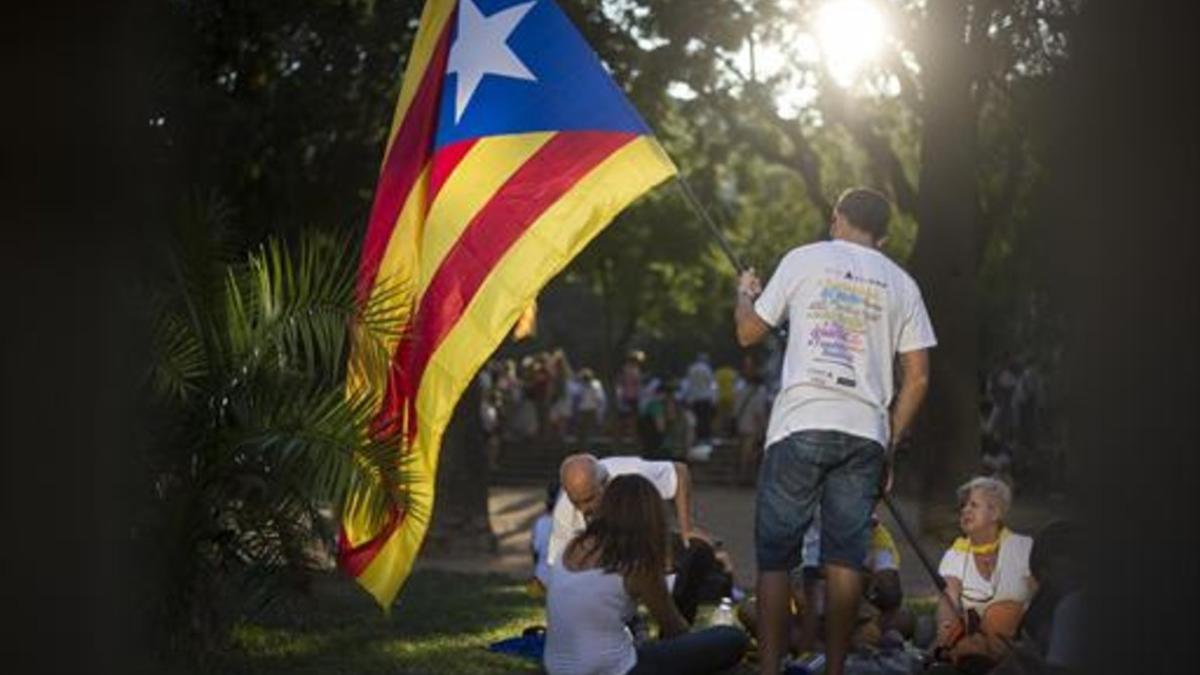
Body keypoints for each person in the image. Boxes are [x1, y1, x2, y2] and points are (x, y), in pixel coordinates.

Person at [734, 187, 937, 675]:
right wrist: (889, 439)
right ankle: (836, 668)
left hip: (801, 421)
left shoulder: (803, 259)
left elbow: (747, 333)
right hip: (865, 430)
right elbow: (919, 377)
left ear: (836, 218)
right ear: (884, 237)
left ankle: (771, 669)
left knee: (777, 557)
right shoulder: (903, 285)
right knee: (846, 558)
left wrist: (745, 293)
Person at [543, 474, 748, 675]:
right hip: (616, 670)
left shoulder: (571, 547)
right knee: (731, 638)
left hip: (556, 668)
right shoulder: (634, 563)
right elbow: (674, 628)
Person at [933, 477, 1034, 673]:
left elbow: (1041, 599)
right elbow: (948, 600)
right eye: (963, 506)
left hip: (1018, 644)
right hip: (974, 646)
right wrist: (944, 636)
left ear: (995, 512)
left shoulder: (1023, 548)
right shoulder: (955, 554)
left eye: (973, 505)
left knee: (1002, 614)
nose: (965, 510)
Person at [548, 453, 694, 568]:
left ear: (605, 484)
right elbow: (558, 563)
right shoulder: (564, 509)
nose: (583, 509)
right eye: (576, 503)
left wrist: (686, 533)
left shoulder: (631, 474)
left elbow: (680, 473)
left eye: (589, 500)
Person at [529, 482, 560, 597]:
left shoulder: (540, 522)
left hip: (540, 579)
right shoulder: (571, 524)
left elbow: (535, 551)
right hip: (559, 582)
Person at [682, 352, 718, 447]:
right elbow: (711, 384)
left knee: (697, 419)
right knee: (706, 419)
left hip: (695, 398)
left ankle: (697, 437)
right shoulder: (707, 369)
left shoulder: (692, 369)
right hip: (706, 397)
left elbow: (688, 384)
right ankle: (705, 438)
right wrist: (714, 398)